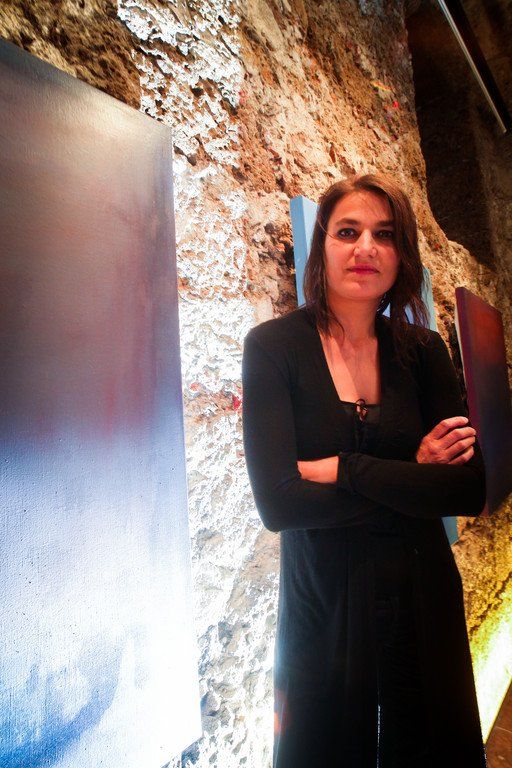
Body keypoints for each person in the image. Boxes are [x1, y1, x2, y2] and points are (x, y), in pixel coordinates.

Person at [242, 173, 487, 768]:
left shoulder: (423, 351)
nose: (366, 248)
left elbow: (466, 487)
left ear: (402, 255)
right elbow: (280, 504)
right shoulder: (274, 347)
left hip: (422, 590)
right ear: (323, 245)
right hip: (324, 600)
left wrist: (345, 468)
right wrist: (413, 471)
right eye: (348, 232)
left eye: (385, 234)